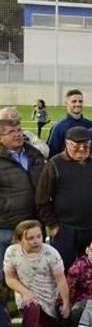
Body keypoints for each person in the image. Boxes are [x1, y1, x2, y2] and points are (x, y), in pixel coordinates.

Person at [36, 126, 92, 268]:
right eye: (76, 146)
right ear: (67, 144)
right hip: (65, 229)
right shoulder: (54, 164)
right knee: (64, 267)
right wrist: (53, 225)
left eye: (85, 146)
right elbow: (42, 199)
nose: (81, 149)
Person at [3, 220, 70, 327]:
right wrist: (25, 292)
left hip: (48, 296)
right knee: (32, 307)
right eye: (31, 238)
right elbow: (10, 278)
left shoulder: (51, 253)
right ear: (20, 238)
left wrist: (66, 303)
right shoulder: (12, 252)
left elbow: (60, 280)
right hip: (25, 293)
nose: (36, 241)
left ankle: (45, 323)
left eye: (39, 236)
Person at [0, 117, 47, 280]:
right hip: (7, 225)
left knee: (32, 270)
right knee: (4, 270)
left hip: (34, 222)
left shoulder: (35, 154)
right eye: (11, 132)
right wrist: (6, 207)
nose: (18, 134)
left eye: (19, 130)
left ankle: (29, 303)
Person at [47, 89, 92, 157]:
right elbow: (53, 153)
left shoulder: (90, 125)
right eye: (74, 101)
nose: (78, 104)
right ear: (66, 103)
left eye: (80, 101)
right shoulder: (58, 127)